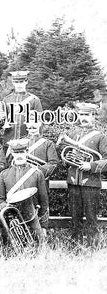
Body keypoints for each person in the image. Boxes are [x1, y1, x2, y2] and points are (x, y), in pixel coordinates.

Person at [59, 102, 107, 245]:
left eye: (87, 115)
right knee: (75, 217)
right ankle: (76, 246)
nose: (83, 117)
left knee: (92, 217)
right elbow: (65, 158)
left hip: (91, 184)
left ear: (93, 116)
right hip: (73, 181)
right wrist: (67, 159)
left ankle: (93, 246)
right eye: (81, 114)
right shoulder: (73, 133)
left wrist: (91, 165)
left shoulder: (101, 137)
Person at [0, 139, 49, 249]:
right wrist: (6, 207)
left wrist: (43, 226)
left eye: (22, 152)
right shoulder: (4, 174)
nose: (19, 155)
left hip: (31, 215)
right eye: (16, 152)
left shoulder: (36, 173)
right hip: (11, 213)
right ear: (12, 153)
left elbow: (44, 201)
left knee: (41, 247)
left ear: (27, 152)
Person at [0, 71, 43, 147]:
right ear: (13, 82)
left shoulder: (34, 100)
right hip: (9, 141)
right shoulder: (6, 100)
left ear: (26, 81)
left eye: (21, 81)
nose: (19, 84)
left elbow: (40, 123)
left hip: (28, 143)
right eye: (16, 82)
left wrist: (37, 142)